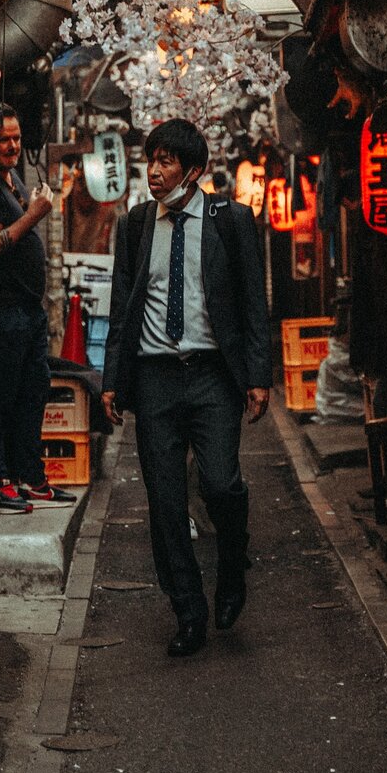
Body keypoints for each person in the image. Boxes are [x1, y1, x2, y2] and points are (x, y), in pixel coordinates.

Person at [102, 119, 270, 656]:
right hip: (154, 379)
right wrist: (112, 379)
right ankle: (188, 611)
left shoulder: (232, 220)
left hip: (213, 375)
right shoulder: (135, 225)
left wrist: (258, 376)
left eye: (167, 161)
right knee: (166, 502)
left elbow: (252, 304)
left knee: (220, 485)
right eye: (150, 159)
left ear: (193, 170)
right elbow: (123, 305)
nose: (153, 171)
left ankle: (232, 566)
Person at [0, 104, 76, 513]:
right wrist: (36, 214)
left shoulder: (11, 180)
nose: (13, 146)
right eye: (4, 139)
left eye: (17, 138)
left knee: (31, 394)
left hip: (26, 311)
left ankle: (30, 477)